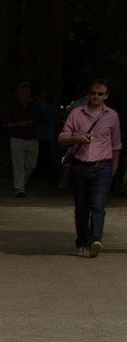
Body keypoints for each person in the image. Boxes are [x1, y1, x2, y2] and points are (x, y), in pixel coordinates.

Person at [58, 79, 121, 258]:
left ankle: (95, 240)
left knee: (98, 205)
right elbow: (62, 138)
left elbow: (117, 145)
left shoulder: (112, 116)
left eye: (100, 94)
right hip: (80, 166)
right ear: (89, 94)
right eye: (93, 93)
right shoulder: (77, 113)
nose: (96, 96)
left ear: (106, 96)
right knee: (81, 207)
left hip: (102, 166)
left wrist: (114, 167)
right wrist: (77, 138)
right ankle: (82, 241)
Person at [4, 82, 41, 197]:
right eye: (22, 92)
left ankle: (21, 183)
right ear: (18, 94)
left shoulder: (35, 108)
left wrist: (28, 125)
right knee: (18, 165)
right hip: (17, 138)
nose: (24, 95)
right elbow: (6, 124)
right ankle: (19, 189)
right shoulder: (13, 108)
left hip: (32, 139)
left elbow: (36, 122)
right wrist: (21, 124)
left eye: (26, 92)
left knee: (31, 165)